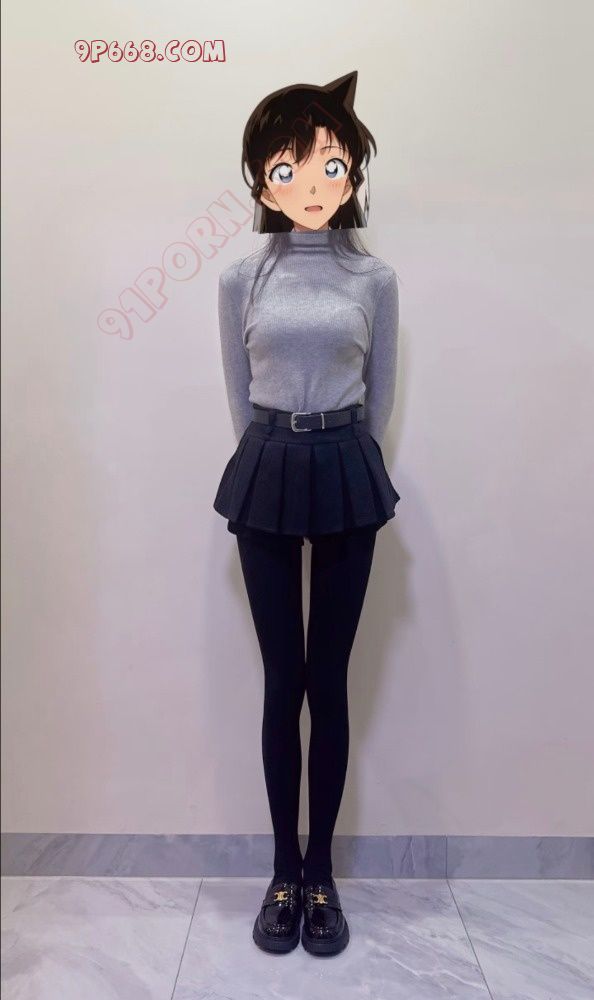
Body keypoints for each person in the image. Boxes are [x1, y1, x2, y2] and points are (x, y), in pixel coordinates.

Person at [213, 70, 400, 956]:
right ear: (263, 179)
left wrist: (341, 453)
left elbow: (380, 395)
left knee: (329, 682)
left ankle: (321, 874)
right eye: (288, 167)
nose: (312, 183)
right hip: (269, 466)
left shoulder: (375, 279)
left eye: (329, 163)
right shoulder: (239, 279)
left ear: (352, 170)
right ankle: (282, 874)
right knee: (280, 681)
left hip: (345, 466)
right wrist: (274, 453)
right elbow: (237, 392)